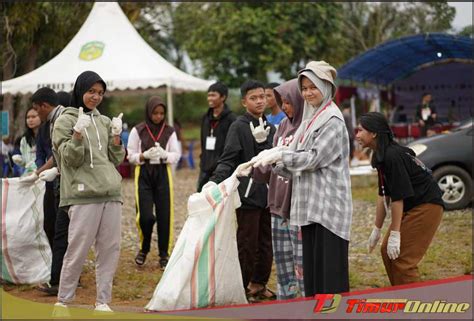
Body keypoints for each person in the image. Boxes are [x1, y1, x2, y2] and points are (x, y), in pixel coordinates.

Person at [251, 61, 352, 296]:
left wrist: (281, 155)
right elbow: (293, 165)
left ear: (326, 87)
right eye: (304, 88)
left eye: (312, 87)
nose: (307, 93)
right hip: (308, 210)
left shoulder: (332, 120)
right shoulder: (310, 119)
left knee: (330, 279)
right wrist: (270, 161)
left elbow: (313, 159)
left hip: (328, 210)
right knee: (313, 277)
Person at [52, 70, 125, 312]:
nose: (96, 97)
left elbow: (116, 159)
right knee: (77, 250)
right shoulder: (65, 120)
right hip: (82, 195)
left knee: (109, 250)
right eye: (91, 91)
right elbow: (69, 160)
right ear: (80, 90)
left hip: (111, 192)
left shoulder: (104, 121)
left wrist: (116, 136)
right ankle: (63, 302)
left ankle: (103, 302)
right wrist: (77, 133)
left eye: (100, 93)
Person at [356, 112, 444, 286]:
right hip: (412, 206)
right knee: (386, 251)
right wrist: (377, 228)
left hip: (426, 205)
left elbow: (398, 198)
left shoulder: (392, 156)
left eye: (360, 131)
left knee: (403, 260)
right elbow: (383, 194)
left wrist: (395, 234)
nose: (357, 135)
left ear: (373, 133)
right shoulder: (380, 156)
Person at [208, 80, 276, 300]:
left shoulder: (271, 127)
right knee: (247, 242)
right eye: (254, 98)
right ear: (244, 101)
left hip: (269, 194)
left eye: (263, 97)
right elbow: (228, 158)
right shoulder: (238, 126)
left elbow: (274, 161)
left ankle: (259, 283)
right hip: (247, 194)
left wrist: (265, 143)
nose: (259, 101)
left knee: (267, 241)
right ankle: (242, 286)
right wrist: (215, 181)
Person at [253, 78, 305, 300]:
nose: (284, 107)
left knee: (300, 261)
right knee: (283, 262)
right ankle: (287, 303)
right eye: (282, 102)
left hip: (297, 203)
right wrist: (260, 157)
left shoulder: (306, 127)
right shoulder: (282, 126)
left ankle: (306, 303)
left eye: (288, 102)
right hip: (277, 201)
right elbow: (270, 164)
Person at [127, 96, 181, 269]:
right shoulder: (138, 130)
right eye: (155, 113)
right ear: (148, 112)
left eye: (161, 113)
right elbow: (130, 155)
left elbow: (176, 154)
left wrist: (165, 155)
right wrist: (144, 156)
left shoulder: (170, 131)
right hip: (143, 174)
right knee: (145, 216)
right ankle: (144, 248)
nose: (158, 116)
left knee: (165, 215)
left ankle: (164, 254)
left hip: (162, 174)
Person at [197, 81, 236, 192]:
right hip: (205, 167)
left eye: (213, 95)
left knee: (221, 202)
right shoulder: (205, 118)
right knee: (201, 198)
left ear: (223, 97)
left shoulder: (232, 119)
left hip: (223, 169)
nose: (210, 98)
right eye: (208, 95)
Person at [12, 107, 41, 176]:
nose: (30, 120)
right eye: (28, 117)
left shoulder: (47, 136)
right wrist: (20, 160)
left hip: (43, 173)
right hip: (28, 174)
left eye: (33, 117)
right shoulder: (24, 139)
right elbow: (25, 162)